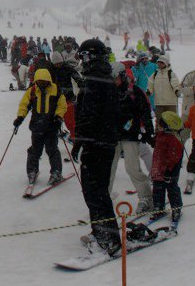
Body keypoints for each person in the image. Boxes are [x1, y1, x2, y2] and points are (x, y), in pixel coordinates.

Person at [72, 39, 121, 255]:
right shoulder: (102, 77)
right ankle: (101, 231)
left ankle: (108, 238)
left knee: (95, 191)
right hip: (102, 142)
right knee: (95, 190)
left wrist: (80, 141)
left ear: (90, 56)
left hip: (97, 144)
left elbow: (88, 116)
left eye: (83, 56)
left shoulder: (95, 79)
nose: (81, 61)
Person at [109, 62, 154, 213]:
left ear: (122, 76)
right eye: (111, 78)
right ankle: (104, 197)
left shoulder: (134, 91)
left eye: (115, 78)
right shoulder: (109, 92)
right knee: (109, 168)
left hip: (130, 135)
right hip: (113, 136)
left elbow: (145, 111)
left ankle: (146, 196)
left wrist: (148, 131)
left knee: (132, 168)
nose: (114, 81)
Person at [14, 69, 68, 185]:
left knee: (52, 150)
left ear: (48, 80)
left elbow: (62, 105)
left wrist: (58, 117)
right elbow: (24, 104)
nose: (42, 84)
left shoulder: (56, 90)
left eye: (44, 82)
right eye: (39, 82)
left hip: (51, 127)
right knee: (35, 150)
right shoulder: (32, 91)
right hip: (36, 126)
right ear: (36, 81)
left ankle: (56, 172)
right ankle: (32, 171)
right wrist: (20, 117)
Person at [150, 111, 184, 223]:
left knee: (172, 190)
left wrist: (170, 172)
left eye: (161, 123)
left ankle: (176, 209)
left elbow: (175, 158)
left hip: (169, 172)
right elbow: (155, 143)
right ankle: (158, 207)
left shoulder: (173, 141)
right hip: (158, 170)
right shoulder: (160, 136)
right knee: (157, 190)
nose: (158, 125)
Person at [147, 55, 180, 119]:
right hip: (159, 103)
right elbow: (150, 84)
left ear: (166, 63)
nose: (159, 64)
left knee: (171, 121)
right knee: (160, 121)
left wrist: (177, 90)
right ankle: (159, 128)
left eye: (162, 62)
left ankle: (171, 129)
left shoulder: (171, 74)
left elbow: (175, 83)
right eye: (158, 62)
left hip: (170, 103)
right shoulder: (155, 74)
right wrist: (149, 91)